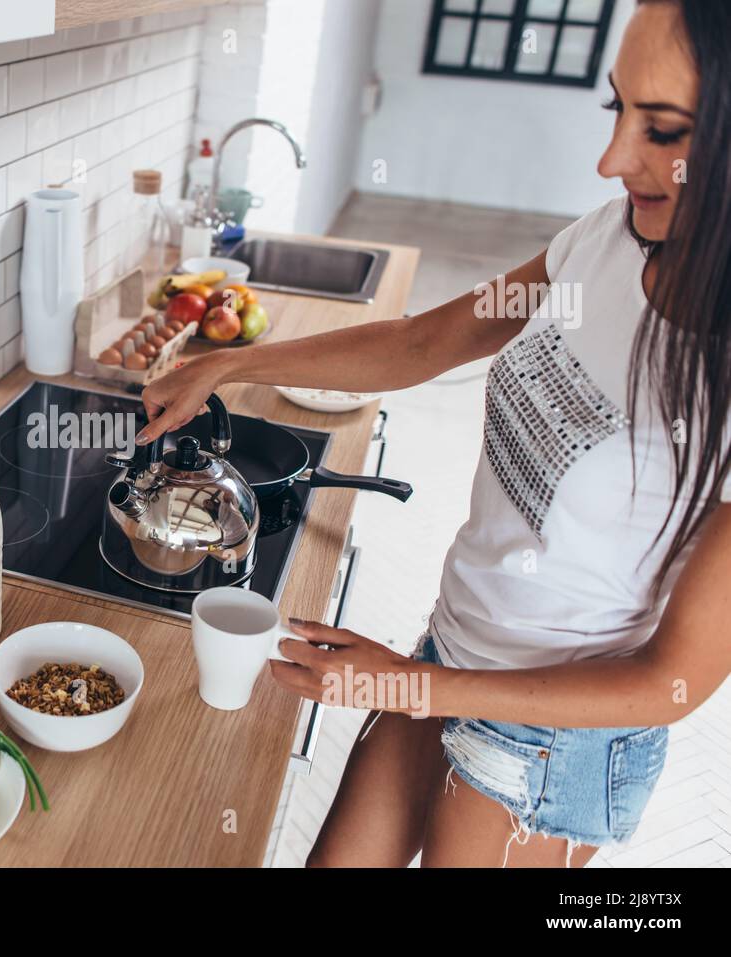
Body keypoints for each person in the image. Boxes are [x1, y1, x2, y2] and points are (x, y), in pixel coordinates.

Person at [136, 0, 731, 867]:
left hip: (551, 738)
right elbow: (425, 340)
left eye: (664, 129)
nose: (611, 161)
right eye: (617, 108)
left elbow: (667, 685)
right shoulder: (605, 242)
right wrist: (231, 364)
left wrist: (403, 684)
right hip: (452, 646)